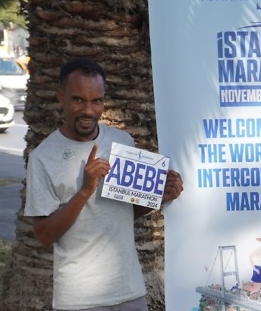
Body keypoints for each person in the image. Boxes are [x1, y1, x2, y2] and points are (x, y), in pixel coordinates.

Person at [24, 58, 184, 311]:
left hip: (130, 292)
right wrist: (85, 191)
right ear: (60, 97)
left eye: (96, 100)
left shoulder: (122, 142)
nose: (88, 110)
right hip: (80, 300)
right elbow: (44, 235)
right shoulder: (43, 158)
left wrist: (159, 196)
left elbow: (125, 212)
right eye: (78, 100)